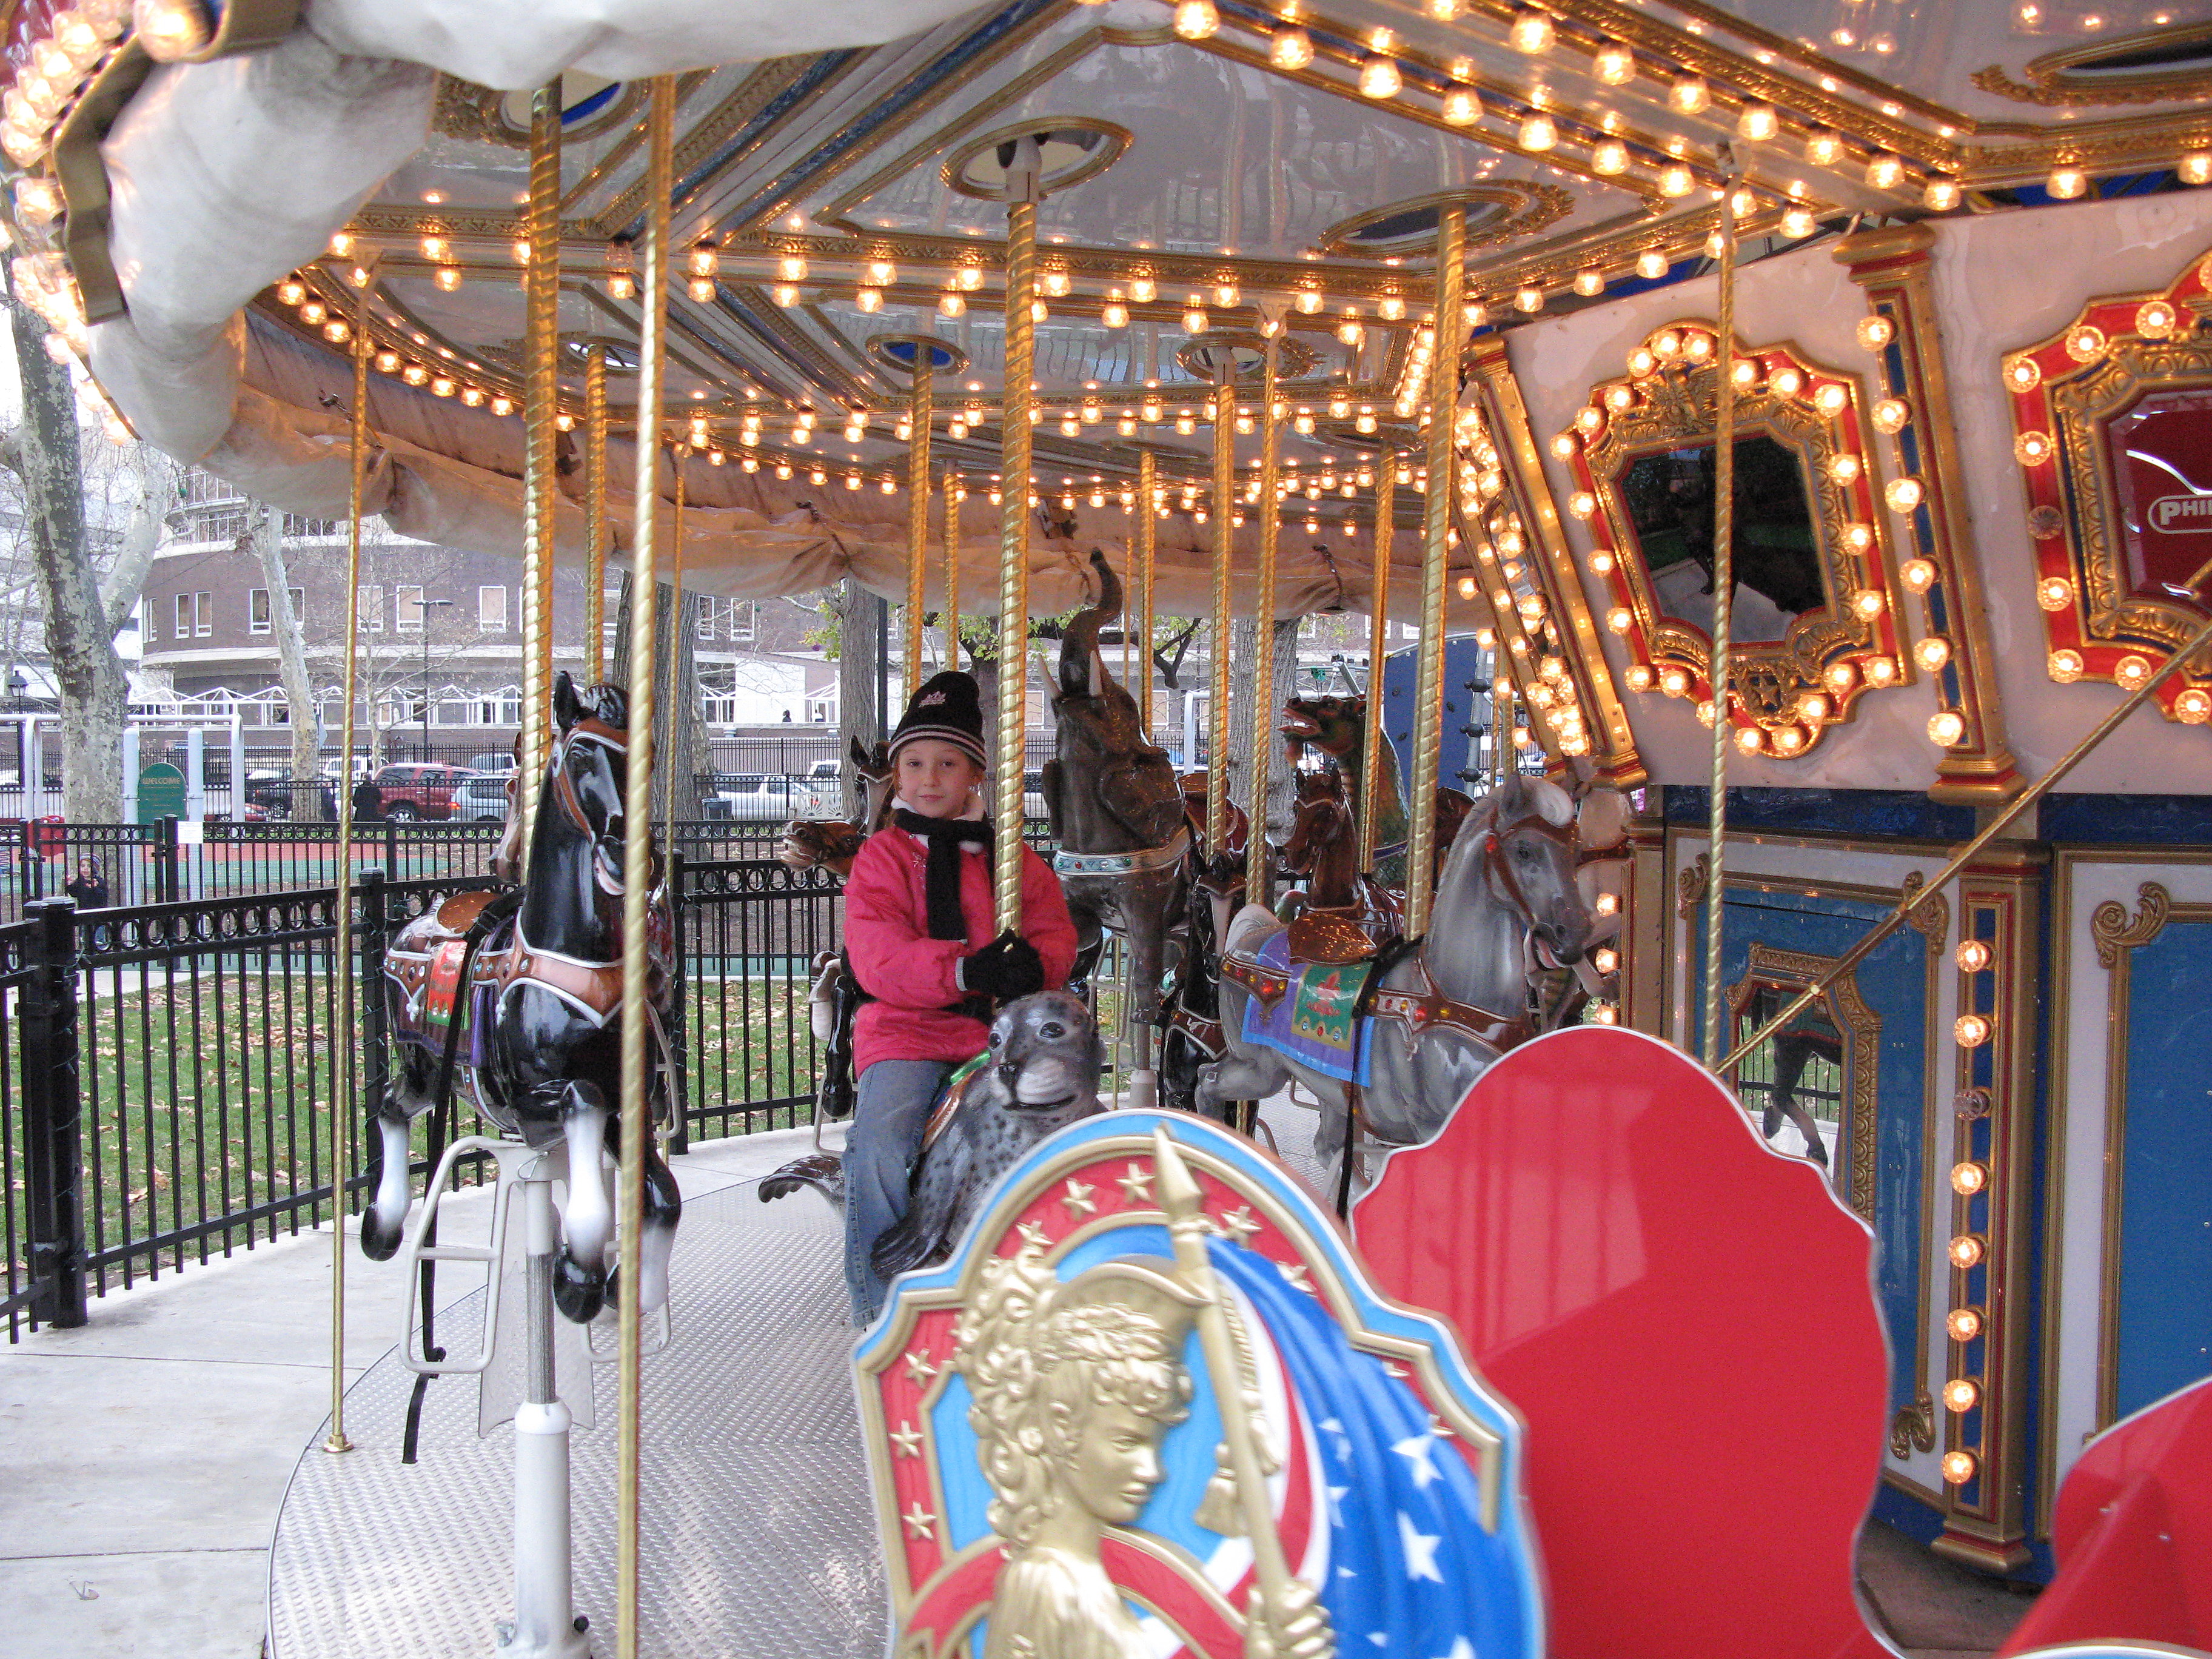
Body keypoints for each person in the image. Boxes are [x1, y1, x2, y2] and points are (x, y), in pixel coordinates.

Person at [840, 670, 1077, 1324]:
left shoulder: (1011, 860)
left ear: (976, 774)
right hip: (909, 1032)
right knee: (882, 1145)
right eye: (915, 763)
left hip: (999, 1034)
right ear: (896, 774)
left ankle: (1060, 1281)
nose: (930, 779)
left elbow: (1053, 930)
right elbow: (878, 957)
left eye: (948, 764)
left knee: (1074, 1127)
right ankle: (879, 1310)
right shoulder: (884, 857)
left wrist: (1035, 967)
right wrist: (966, 971)